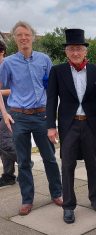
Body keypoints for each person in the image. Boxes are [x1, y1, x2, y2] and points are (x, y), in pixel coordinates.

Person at [46, 29, 96, 224]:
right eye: (72, 49)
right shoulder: (57, 71)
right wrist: (51, 126)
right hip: (69, 125)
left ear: (85, 51)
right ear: (66, 52)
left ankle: (95, 197)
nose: (76, 52)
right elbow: (51, 100)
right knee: (67, 166)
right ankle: (68, 205)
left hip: (90, 124)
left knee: (93, 163)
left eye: (79, 49)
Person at [0, 21, 63, 215]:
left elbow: (52, 89)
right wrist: (5, 114)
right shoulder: (8, 63)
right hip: (18, 116)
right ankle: (27, 199)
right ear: (15, 39)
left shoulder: (44, 60)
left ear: (32, 37)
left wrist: (52, 117)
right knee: (24, 160)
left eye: (26, 34)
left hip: (42, 115)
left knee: (49, 158)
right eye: (19, 35)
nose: (23, 38)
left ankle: (57, 192)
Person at [0, 40, 17, 187]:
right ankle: (8, 175)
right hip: (1, 111)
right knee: (1, 146)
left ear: (2, 51)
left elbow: (18, 89)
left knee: (5, 143)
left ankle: (25, 162)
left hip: (11, 110)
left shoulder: (10, 66)